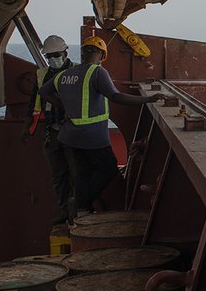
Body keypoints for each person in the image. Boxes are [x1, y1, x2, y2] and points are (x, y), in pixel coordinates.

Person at [42, 35, 165, 220]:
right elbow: (115, 97)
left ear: (83, 53)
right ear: (101, 55)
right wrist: (147, 99)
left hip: (69, 137)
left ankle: (82, 209)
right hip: (92, 136)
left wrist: (63, 105)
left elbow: (43, 91)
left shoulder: (65, 75)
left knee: (82, 173)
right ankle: (81, 202)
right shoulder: (97, 72)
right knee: (108, 169)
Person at [22, 35, 74, 226]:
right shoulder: (42, 75)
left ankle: (78, 211)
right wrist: (26, 127)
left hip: (73, 131)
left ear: (65, 52)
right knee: (59, 175)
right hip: (52, 131)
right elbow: (32, 104)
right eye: (49, 55)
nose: (53, 58)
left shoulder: (77, 71)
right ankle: (64, 210)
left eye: (56, 54)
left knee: (76, 172)